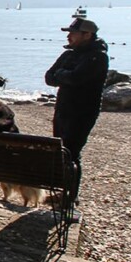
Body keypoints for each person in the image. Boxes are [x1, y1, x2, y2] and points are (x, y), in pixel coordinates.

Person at [44, 17, 109, 205]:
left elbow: (76, 78)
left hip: (83, 112)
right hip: (63, 108)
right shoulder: (70, 54)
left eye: (73, 33)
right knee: (62, 150)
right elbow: (49, 77)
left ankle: (70, 196)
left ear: (87, 35)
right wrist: (66, 76)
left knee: (72, 152)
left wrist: (63, 75)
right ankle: (65, 190)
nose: (69, 36)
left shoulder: (97, 56)